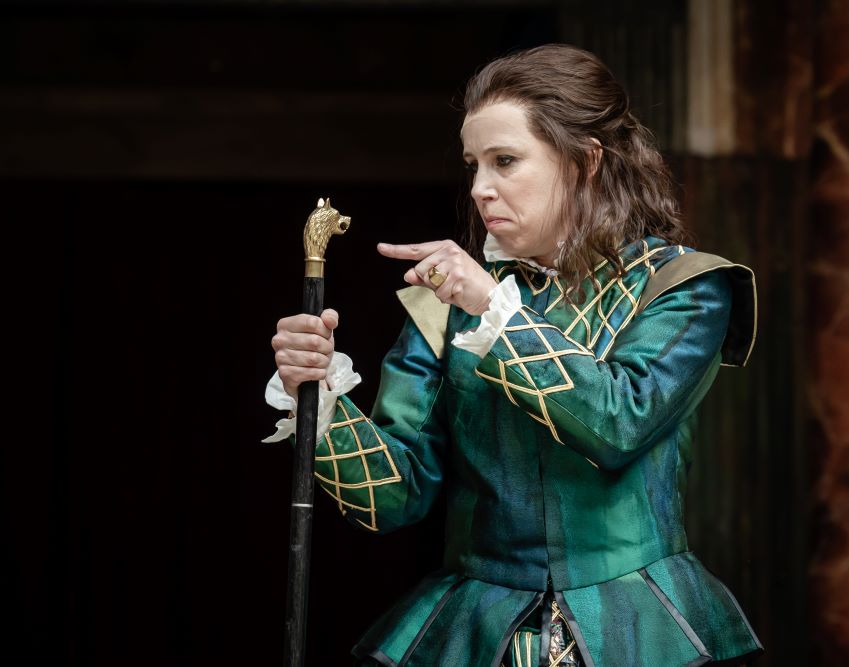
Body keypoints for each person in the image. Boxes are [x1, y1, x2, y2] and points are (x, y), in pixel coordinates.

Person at [266, 44, 762, 667]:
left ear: (586, 162)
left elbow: (618, 421)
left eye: (505, 161)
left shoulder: (684, 288)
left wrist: (492, 312)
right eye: (473, 165)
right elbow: (393, 499)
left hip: (640, 629)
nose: (479, 188)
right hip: (477, 631)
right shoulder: (443, 306)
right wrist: (318, 397)